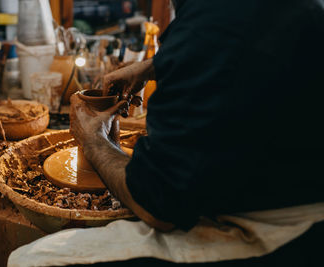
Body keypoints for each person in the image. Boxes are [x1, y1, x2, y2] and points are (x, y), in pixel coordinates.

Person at [70, 0, 324, 236]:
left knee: (41, 257)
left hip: (289, 223)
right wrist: (159, 64)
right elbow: (253, 36)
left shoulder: (209, 19)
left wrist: (93, 140)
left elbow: (160, 204)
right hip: (280, 178)